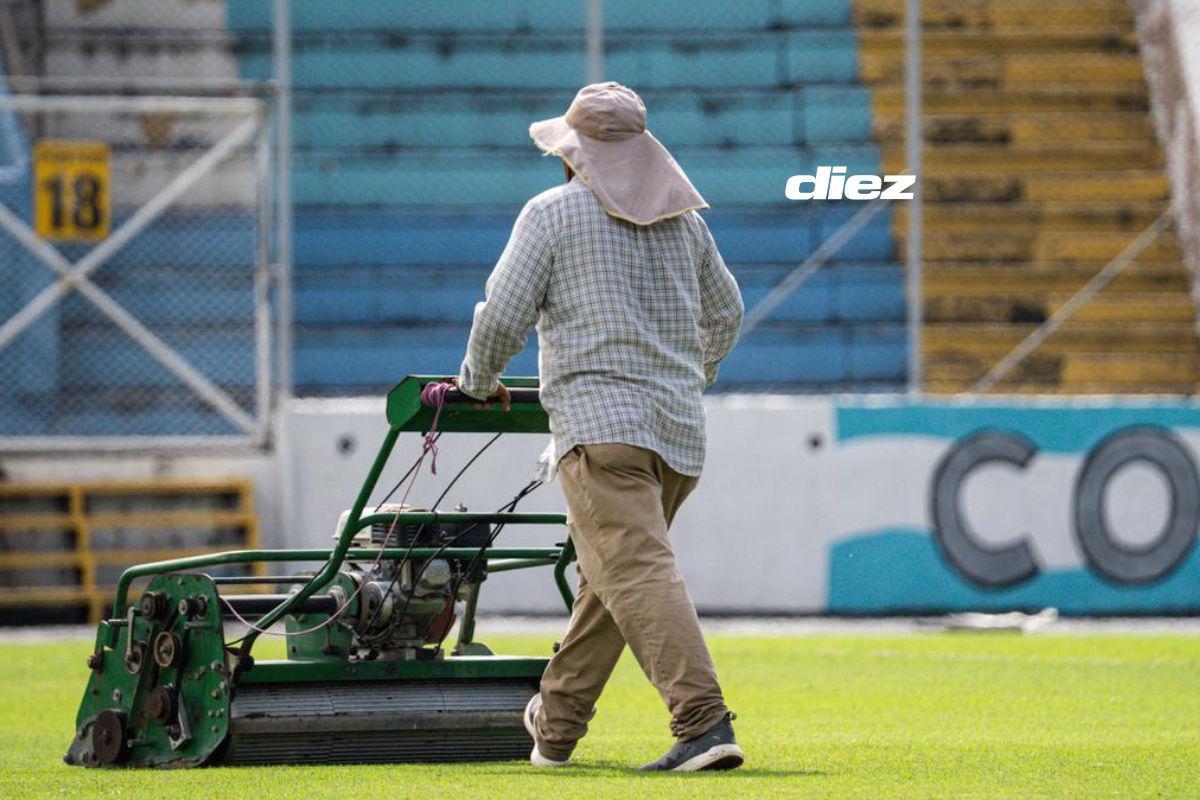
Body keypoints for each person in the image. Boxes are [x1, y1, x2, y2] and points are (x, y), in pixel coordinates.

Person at [454, 82, 744, 772]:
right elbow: (727, 314)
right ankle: (554, 729)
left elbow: (500, 317)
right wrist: (687, 375)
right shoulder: (687, 223)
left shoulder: (551, 213)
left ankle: (703, 722)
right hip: (678, 439)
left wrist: (477, 383)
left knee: (635, 573)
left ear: (574, 155)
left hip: (601, 433)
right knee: (609, 583)